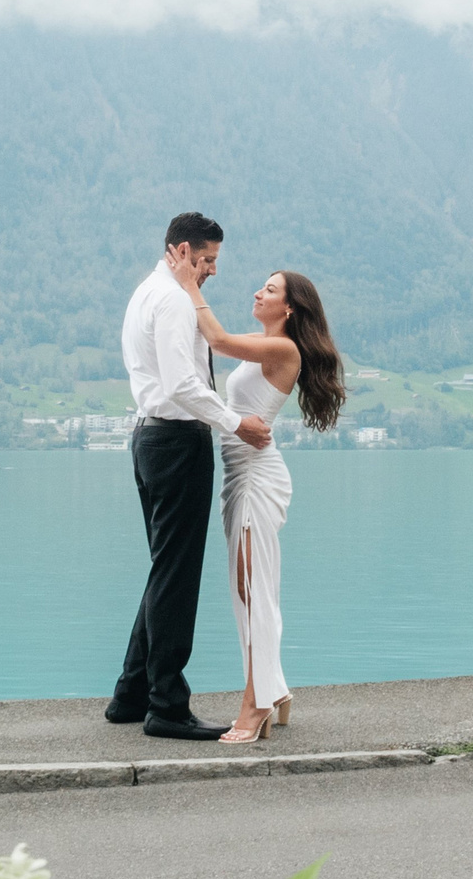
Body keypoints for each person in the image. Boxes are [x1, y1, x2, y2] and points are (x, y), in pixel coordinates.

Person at [165, 260, 346, 744]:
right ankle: (277, 689)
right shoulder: (266, 343)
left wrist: (187, 285)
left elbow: (219, 341)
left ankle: (257, 702)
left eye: (269, 290)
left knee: (255, 591)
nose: (258, 293)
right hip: (238, 475)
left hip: (256, 480)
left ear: (289, 307)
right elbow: (212, 341)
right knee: (249, 591)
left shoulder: (283, 348)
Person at [107, 213, 273, 739]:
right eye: (209, 261)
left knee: (165, 567)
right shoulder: (174, 301)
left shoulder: (145, 292)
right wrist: (234, 422)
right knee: (176, 574)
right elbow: (182, 384)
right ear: (183, 251)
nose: (213, 272)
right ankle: (167, 706)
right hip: (177, 441)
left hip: (149, 439)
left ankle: (131, 694)